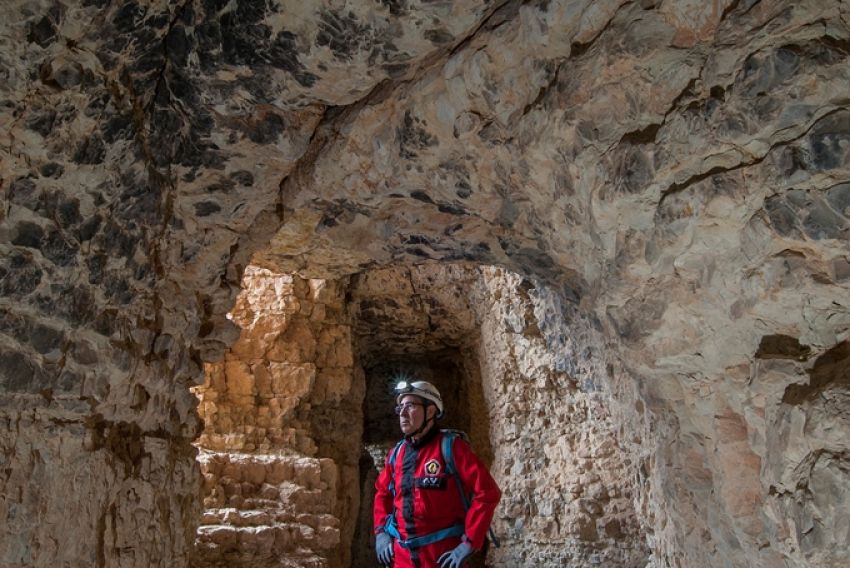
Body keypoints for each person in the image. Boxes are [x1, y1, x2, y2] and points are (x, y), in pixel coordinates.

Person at [373, 379, 501, 568]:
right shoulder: (396, 455)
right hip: (402, 557)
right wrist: (381, 533)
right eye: (400, 407)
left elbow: (488, 493)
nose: (402, 412)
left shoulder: (451, 448)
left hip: (442, 557)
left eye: (410, 405)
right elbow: (382, 493)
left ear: (431, 411)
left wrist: (469, 543)